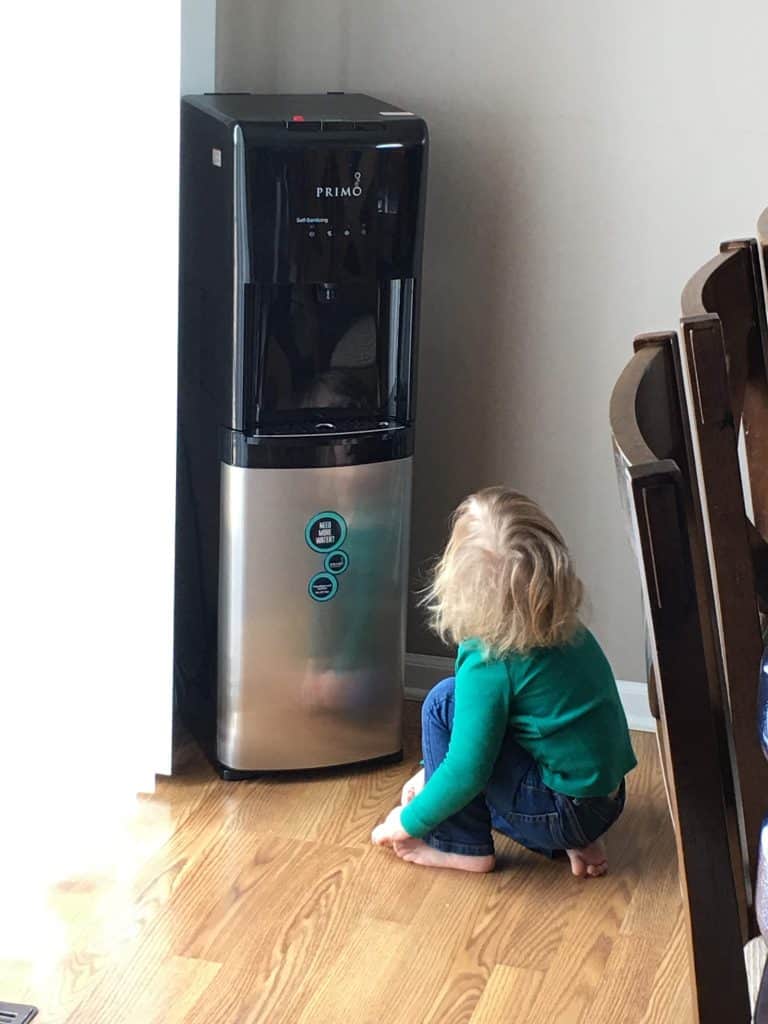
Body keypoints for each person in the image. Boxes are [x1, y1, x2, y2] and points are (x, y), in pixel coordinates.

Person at [371, 487, 637, 877]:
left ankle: (462, 846)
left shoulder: (488, 661)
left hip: (563, 810)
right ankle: (573, 837)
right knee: (483, 722)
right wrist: (430, 773)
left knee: (444, 703)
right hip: (605, 798)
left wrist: (408, 821)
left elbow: (467, 771)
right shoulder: (563, 624)